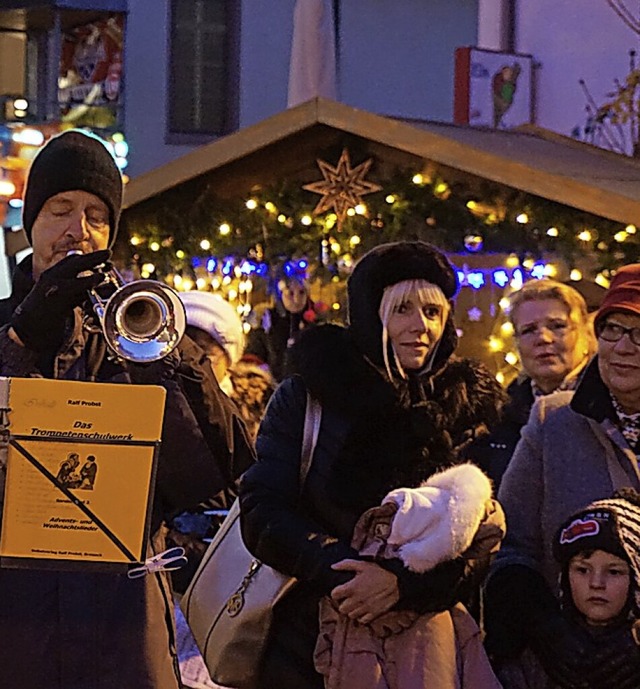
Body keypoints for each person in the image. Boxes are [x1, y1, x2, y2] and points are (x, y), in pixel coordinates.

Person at [0, 129, 248, 689]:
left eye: (95, 216)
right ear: (31, 223)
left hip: (122, 622)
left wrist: (158, 360)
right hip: (14, 615)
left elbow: (217, 469)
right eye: (60, 210)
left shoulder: (145, 332)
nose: (76, 230)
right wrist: (21, 338)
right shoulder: (4, 324)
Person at [239, 240, 507, 689]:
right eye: (402, 309)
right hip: (309, 640)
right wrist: (345, 572)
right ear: (370, 313)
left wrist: (403, 583)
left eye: (433, 312)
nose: (420, 326)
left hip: (428, 643)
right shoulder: (311, 395)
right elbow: (263, 509)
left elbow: (484, 532)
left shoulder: (466, 405)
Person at [484, 264, 640, 689]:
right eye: (613, 329)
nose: (624, 346)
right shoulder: (554, 421)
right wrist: (545, 627)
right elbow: (510, 545)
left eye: (639, 332)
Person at [313, 463, 503, 689]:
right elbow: (266, 511)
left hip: (432, 622)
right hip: (311, 620)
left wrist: (403, 584)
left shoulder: (469, 439)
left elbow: (489, 542)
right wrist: (353, 583)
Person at [497, 489, 640, 689]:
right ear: (564, 577)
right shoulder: (534, 658)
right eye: (582, 570)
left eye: (614, 572)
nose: (596, 583)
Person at [469, 278, 596, 490]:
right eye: (529, 330)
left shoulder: (611, 406)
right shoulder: (497, 417)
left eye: (557, 326)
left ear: (584, 332)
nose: (543, 338)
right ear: (516, 341)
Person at [244, 272, 324, 381]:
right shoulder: (267, 321)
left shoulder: (315, 324)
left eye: (302, 293)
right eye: (290, 293)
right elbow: (255, 353)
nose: (296, 300)